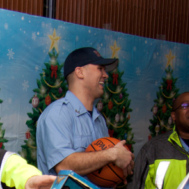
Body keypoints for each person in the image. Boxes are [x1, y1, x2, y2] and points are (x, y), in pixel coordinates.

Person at [36, 47, 134, 177]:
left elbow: (102, 170)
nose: (105, 75)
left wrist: (117, 172)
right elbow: (64, 166)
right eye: (100, 68)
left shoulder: (99, 120)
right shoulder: (57, 114)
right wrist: (113, 154)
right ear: (80, 72)